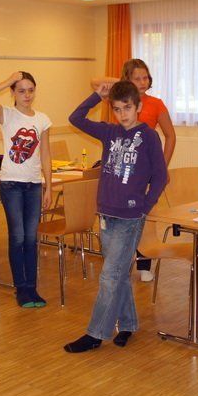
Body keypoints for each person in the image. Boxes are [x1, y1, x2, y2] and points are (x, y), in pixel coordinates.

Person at [64, 80, 167, 353]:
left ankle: (96, 334)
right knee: (118, 273)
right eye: (118, 109)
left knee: (109, 276)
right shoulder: (110, 132)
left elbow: (161, 176)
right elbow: (75, 118)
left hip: (131, 217)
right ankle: (129, 324)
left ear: (139, 107)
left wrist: (145, 206)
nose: (123, 114)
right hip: (106, 214)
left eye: (128, 108)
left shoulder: (149, 137)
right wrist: (97, 96)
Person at [92, 58, 176, 282]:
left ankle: (144, 262)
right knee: (125, 223)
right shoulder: (121, 98)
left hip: (143, 169)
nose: (142, 81)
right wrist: (122, 84)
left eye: (145, 77)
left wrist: (161, 166)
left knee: (140, 219)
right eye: (137, 78)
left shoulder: (156, 104)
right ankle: (123, 266)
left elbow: (170, 136)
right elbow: (95, 81)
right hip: (123, 165)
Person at [0, 71, 52, 308]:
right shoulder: (6, 114)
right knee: (18, 237)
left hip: (34, 185)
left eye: (30, 90)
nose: (27, 95)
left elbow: (46, 155)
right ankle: (21, 289)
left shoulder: (42, 119)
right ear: (13, 93)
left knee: (31, 238)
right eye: (21, 90)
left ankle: (32, 288)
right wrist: (7, 81)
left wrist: (48, 186)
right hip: (11, 185)